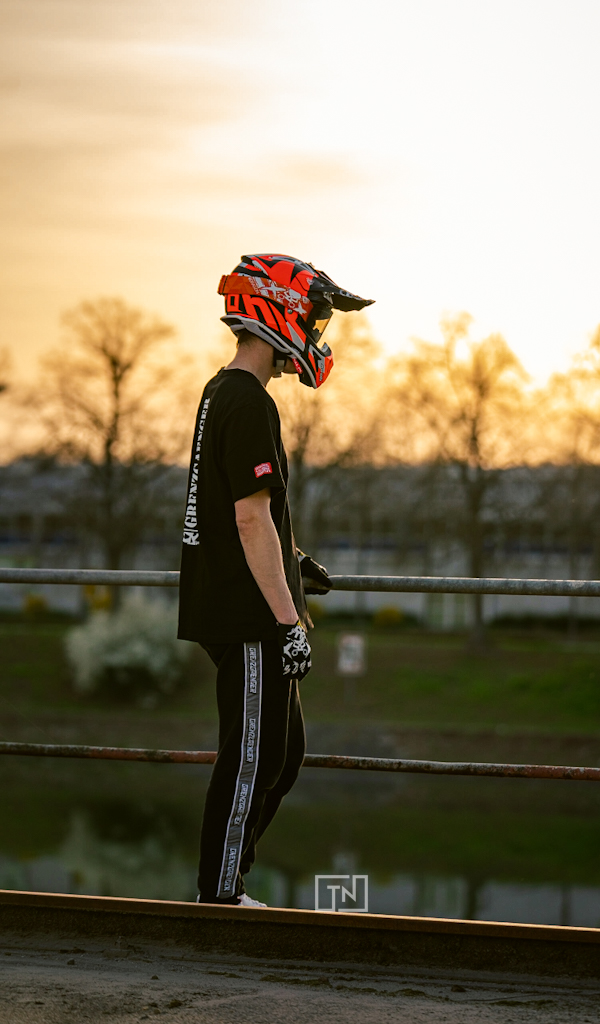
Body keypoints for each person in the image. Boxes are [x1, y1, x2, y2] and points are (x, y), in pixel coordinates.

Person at [178, 254, 374, 906]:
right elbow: (248, 516)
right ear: (278, 311)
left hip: (247, 597)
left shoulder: (223, 392)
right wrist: (288, 623)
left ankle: (228, 880)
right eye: (313, 318)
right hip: (248, 614)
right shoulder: (247, 401)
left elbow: (244, 509)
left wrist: (293, 560)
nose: (315, 333)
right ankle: (220, 894)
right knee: (252, 757)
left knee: (282, 757)